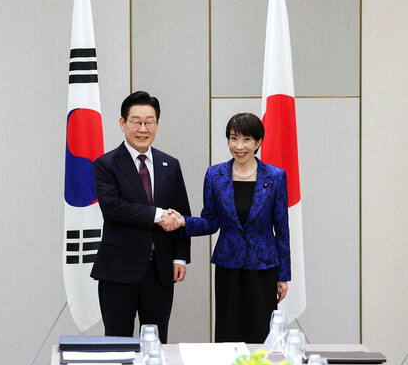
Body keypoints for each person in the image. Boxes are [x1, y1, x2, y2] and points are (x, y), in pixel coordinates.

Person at [164, 112, 290, 343]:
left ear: (258, 142)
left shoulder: (275, 177)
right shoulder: (215, 175)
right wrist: (183, 221)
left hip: (264, 268)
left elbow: (282, 231)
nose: (239, 146)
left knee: (261, 332)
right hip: (228, 266)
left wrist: (283, 275)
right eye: (233, 139)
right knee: (228, 331)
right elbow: (211, 221)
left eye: (246, 139)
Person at [90, 90, 191, 343]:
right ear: (122, 123)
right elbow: (112, 207)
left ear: (157, 124)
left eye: (149, 122)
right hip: (118, 271)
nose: (143, 129)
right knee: (117, 344)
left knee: (156, 343)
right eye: (136, 122)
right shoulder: (106, 164)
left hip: (159, 271)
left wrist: (180, 257)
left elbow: (181, 214)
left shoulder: (170, 164)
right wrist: (157, 214)